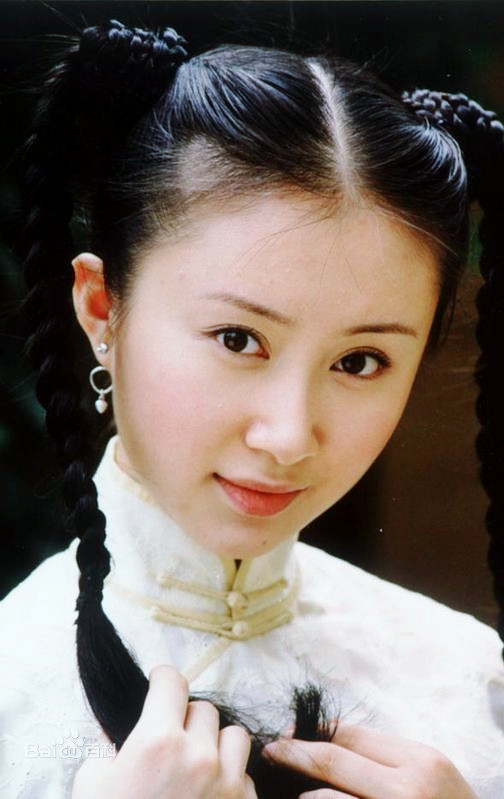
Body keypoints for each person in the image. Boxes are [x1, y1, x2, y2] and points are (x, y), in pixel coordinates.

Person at [0, 17, 503, 799]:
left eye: (360, 361)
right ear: (103, 309)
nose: (288, 436)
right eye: (237, 338)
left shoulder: (471, 684)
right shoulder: (15, 690)